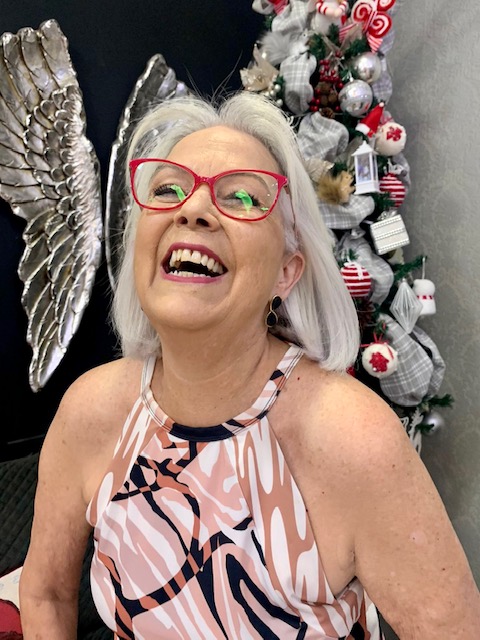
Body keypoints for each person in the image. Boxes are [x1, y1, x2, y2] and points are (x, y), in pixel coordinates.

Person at [20, 92, 479, 639]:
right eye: (167, 190)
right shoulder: (88, 411)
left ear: (287, 272)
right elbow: (45, 594)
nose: (192, 208)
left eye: (240, 197)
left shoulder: (353, 439)